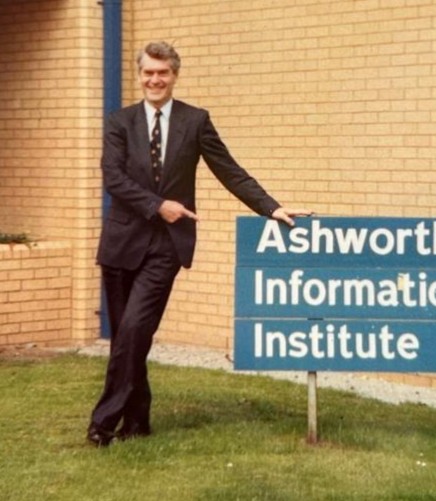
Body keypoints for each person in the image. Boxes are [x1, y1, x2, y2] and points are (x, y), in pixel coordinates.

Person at [87, 41, 312, 446]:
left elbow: (229, 170)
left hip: (166, 247)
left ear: (175, 75)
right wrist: (159, 205)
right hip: (121, 244)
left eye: (163, 73)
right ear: (140, 75)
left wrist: (271, 208)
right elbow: (113, 180)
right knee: (127, 338)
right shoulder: (118, 122)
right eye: (148, 73)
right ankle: (138, 421)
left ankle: (103, 421)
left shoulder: (195, 121)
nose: (155, 80)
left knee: (136, 328)